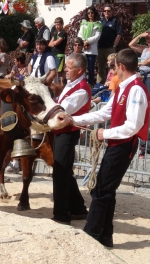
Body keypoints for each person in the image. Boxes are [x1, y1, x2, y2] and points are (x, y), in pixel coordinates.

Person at [71, 48, 150, 247]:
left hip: (124, 145)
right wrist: (73, 119)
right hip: (117, 144)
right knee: (107, 190)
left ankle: (92, 234)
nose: (112, 71)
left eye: (114, 67)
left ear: (121, 66)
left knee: (102, 190)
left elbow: (134, 126)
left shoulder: (135, 89)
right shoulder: (124, 88)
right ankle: (105, 236)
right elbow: (104, 113)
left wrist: (104, 133)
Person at [51, 53, 91, 225]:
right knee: (65, 171)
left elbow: (62, 109)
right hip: (61, 132)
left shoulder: (81, 89)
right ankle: (78, 208)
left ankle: (61, 215)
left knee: (60, 172)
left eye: (68, 67)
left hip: (68, 133)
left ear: (79, 69)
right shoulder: (71, 84)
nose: (65, 69)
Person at [129, 30, 150, 102]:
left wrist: (139, 63)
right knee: (138, 95)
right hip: (141, 74)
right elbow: (131, 45)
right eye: (146, 38)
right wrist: (139, 36)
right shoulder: (144, 48)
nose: (148, 40)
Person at [97, 4, 122, 85]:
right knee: (100, 68)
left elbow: (119, 34)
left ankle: (111, 84)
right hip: (100, 48)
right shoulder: (100, 21)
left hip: (110, 48)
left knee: (111, 67)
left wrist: (114, 45)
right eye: (105, 11)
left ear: (112, 12)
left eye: (108, 11)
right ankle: (100, 85)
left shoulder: (115, 21)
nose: (106, 12)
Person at [77, 6, 102, 86]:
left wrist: (88, 41)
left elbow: (97, 36)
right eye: (88, 13)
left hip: (92, 49)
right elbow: (79, 34)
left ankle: (90, 84)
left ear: (94, 13)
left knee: (91, 68)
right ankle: (81, 83)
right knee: (82, 67)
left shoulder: (98, 24)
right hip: (83, 49)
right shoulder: (84, 23)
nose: (90, 14)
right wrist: (83, 42)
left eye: (92, 13)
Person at [49, 17, 67, 83]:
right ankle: (56, 85)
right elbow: (49, 44)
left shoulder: (63, 33)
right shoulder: (55, 33)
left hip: (60, 54)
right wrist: (54, 43)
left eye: (58, 24)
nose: (57, 26)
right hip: (53, 54)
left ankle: (62, 87)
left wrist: (54, 43)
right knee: (54, 70)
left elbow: (56, 43)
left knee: (60, 72)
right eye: (56, 25)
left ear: (62, 24)